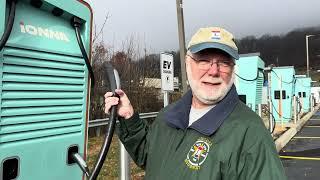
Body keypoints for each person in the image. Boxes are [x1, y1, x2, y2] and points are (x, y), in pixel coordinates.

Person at [104, 27, 287, 180]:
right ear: (187, 63)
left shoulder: (250, 133)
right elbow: (151, 156)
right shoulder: (168, 116)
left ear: (232, 69)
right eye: (204, 60)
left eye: (224, 63)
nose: (213, 71)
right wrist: (128, 117)